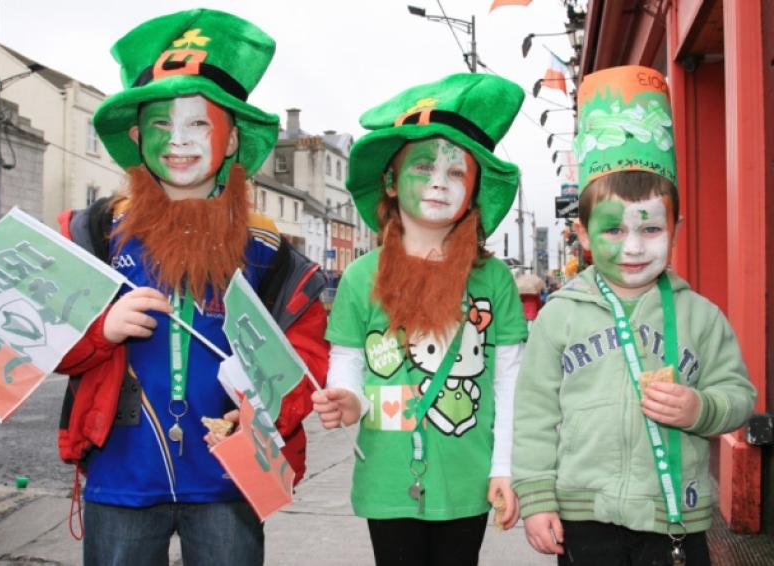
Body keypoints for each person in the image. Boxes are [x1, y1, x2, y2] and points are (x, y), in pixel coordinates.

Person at [54, 9, 328, 565]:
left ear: (231, 141)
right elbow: (40, 343)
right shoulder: (91, 235)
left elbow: (307, 363)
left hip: (231, 482)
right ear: (136, 137)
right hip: (121, 481)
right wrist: (101, 329)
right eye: (160, 124)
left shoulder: (271, 257)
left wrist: (260, 401)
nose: (177, 141)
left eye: (199, 123)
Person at [511, 65, 756, 566]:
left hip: (672, 521)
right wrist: (536, 499)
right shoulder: (560, 317)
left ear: (676, 228)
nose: (634, 248)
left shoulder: (701, 317)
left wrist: (699, 409)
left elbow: (739, 398)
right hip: (583, 517)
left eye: (650, 229)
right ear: (582, 234)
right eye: (613, 231)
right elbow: (535, 413)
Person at [311, 73, 529, 566]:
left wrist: (505, 468)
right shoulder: (359, 277)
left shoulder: (493, 279)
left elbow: (509, 383)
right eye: (423, 166)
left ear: (474, 191)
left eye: (457, 172)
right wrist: (345, 396)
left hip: (467, 477)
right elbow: (346, 358)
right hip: (387, 477)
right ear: (390, 180)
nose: (438, 181)